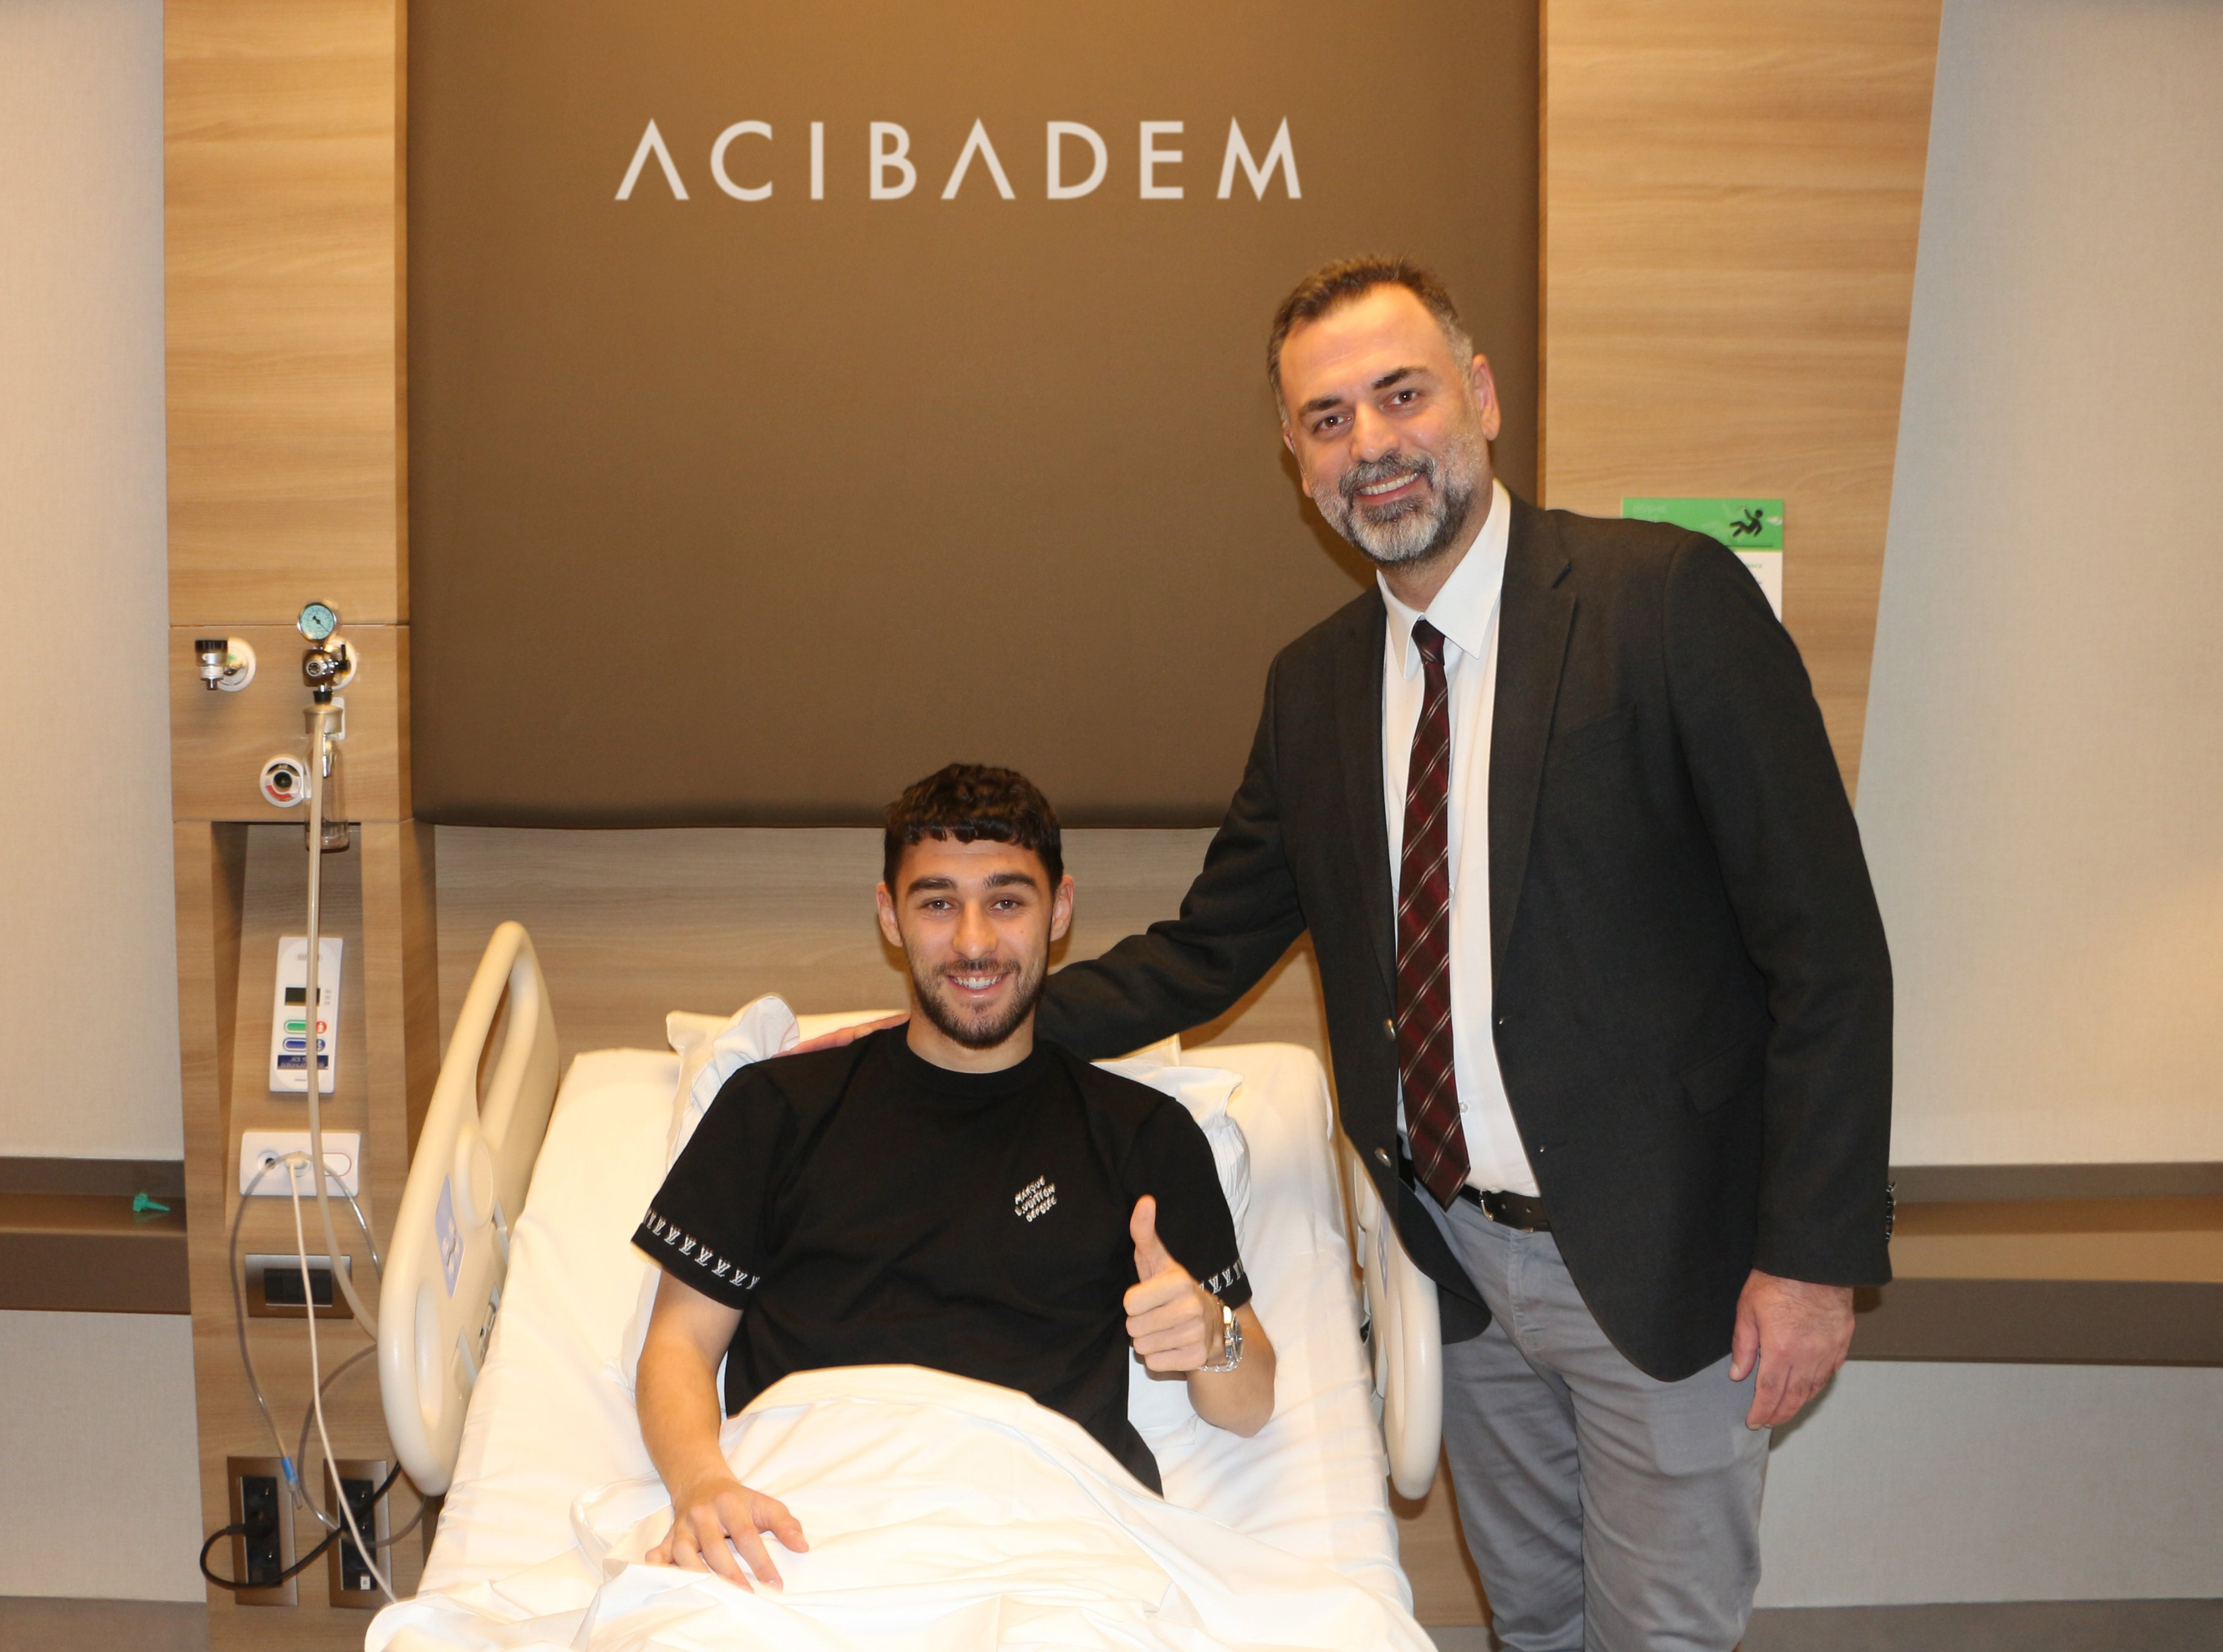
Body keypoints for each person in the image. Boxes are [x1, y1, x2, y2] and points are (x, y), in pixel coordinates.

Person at [1023, 258, 1895, 1651]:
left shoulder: (1664, 602)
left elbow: (1827, 950)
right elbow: (1203, 949)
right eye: (1326, 419)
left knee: (1660, 1632)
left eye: (1400, 394)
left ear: (1479, 397)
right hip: (1455, 1271)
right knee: (1535, 1619)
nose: (1368, 443)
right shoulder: (1312, 688)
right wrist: (974, 1032)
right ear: (1296, 461)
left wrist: (1809, 1261)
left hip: (1667, 1263)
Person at [630, 764, 1277, 1592]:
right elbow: (679, 1344)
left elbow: (1249, 1400)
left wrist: (1211, 1336)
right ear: (889, 916)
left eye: (1007, 902)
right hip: (800, 1531)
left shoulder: (1140, 1132)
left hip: (1050, 1545)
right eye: (937, 903)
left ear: (1061, 910)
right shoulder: (777, 1107)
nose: (974, 942)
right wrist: (701, 1485)